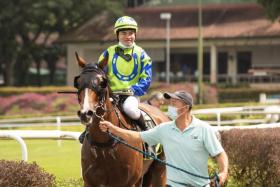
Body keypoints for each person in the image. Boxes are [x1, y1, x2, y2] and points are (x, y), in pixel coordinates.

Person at [99, 91, 228, 187]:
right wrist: (113, 129)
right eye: (170, 103)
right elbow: (137, 137)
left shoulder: (203, 129)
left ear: (186, 107)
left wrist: (223, 172)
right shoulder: (164, 129)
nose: (170, 106)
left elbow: (220, 154)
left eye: (174, 103)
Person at [97, 15, 152, 130]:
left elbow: (146, 78)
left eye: (131, 33)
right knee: (94, 109)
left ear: (135, 35)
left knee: (130, 109)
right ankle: (87, 134)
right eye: (124, 33)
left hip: (130, 96)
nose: (128, 37)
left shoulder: (142, 54)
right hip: (110, 95)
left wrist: (134, 89)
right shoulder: (108, 53)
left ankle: (147, 132)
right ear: (117, 35)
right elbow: (99, 74)